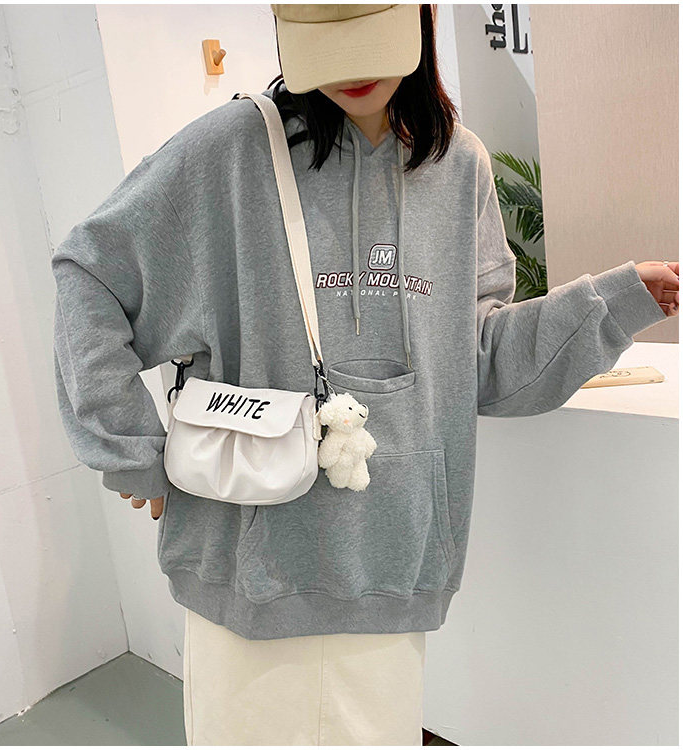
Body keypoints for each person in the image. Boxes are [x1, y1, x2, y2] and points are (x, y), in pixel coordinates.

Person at [50, 4, 679, 745]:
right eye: (328, 42)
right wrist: (126, 445)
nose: (352, 68)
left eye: (369, 37)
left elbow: (479, 362)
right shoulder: (230, 152)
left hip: (393, 569)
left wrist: (611, 303)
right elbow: (91, 272)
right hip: (249, 579)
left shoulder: (461, 167)